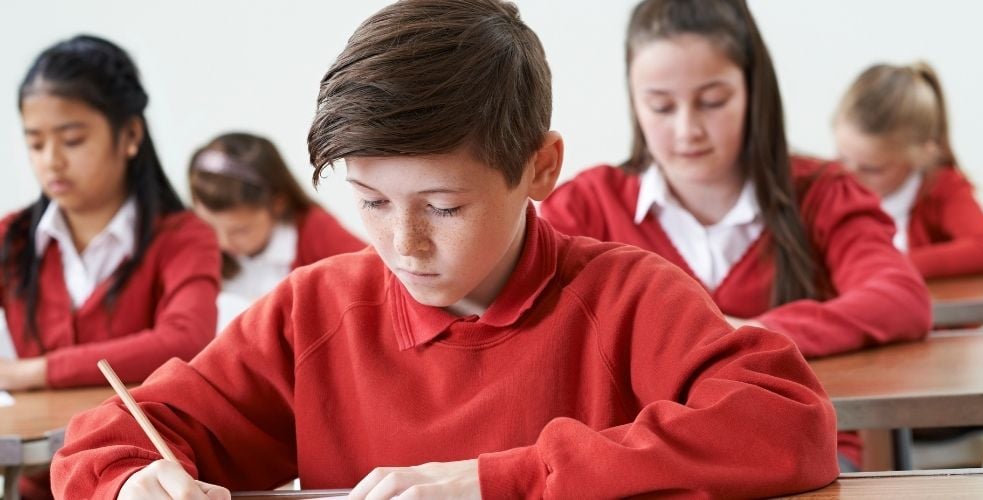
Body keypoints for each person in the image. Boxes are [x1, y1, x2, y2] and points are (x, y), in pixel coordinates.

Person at [52, 2, 838, 498]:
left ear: (541, 168)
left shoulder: (626, 297)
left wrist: (500, 480)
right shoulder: (315, 310)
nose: (402, 243)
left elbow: (790, 426)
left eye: (443, 206)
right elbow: (104, 440)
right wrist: (132, 485)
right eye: (369, 203)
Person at [539, 0, 930, 471]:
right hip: (649, 469)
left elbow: (900, 297)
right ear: (633, 100)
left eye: (712, 101)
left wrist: (755, 332)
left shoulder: (823, 194)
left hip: (795, 460)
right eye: (660, 105)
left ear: (752, 90)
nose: (688, 130)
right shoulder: (585, 206)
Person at [1, 34, 220, 499]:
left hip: (139, 480)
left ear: (131, 135)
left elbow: (186, 338)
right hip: (38, 486)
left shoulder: (183, 237)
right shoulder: (12, 239)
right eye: (35, 144)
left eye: (72, 139)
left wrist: (35, 371)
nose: (51, 161)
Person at [834, 61, 983, 279]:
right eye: (843, 159)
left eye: (872, 169)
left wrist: (889, 265)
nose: (850, 175)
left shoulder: (941, 188)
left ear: (921, 156)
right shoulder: (829, 188)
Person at [188, 132, 365, 326]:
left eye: (241, 231)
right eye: (209, 228)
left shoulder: (314, 231)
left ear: (277, 203)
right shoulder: (196, 247)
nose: (223, 243)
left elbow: (371, 277)